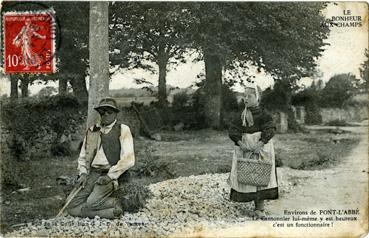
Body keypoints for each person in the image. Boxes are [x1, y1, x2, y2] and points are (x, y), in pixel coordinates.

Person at [67, 98, 135, 219]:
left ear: (115, 113)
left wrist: (110, 176)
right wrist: (82, 173)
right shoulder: (92, 130)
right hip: (92, 173)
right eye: (102, 112)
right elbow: (83, 156)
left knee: (91, 202)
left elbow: (129, 159)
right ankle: (109, 212)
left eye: (109, 112)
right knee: (70, 204)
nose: (105, 115)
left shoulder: (123, 129)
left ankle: (115, 202)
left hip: (109, 174)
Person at [228, 85, 278, 218]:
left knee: (261, 175)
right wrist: (240, 143)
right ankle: (250, 201)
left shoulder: (263, 114)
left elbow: (270, 129)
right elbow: (233, 130)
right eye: (244, 96)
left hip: (261, 147)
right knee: (248, 174)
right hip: (245, 147)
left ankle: (260, 208)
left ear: (257, 98)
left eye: (249, 96)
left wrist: (261, 143)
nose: (245, 99)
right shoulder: (241, 115)